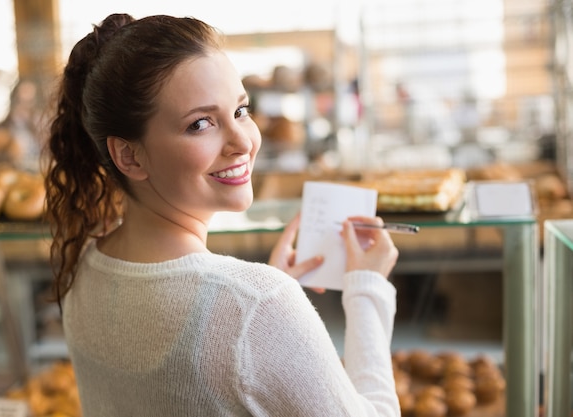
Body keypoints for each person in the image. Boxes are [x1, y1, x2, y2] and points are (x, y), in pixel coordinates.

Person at [43, 12, 400, 417]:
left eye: (241, 111)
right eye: (200, 124)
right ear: (128, 154)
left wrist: (255, 308)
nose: (242, 142)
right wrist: (367, 290)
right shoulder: (258, 305)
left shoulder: (83, 266)